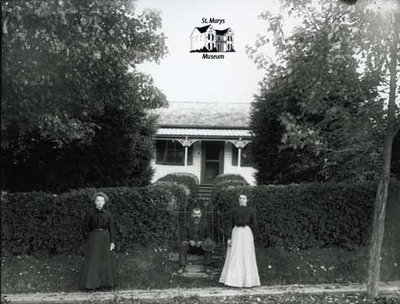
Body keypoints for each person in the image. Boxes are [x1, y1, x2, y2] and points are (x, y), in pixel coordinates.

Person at [219, 194, 260, 287]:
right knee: (235, 255)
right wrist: (228, 237)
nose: (242, 200)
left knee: (247, 255)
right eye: (240, 198)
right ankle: (233, 280)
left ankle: (248, 280)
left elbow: (254, 224)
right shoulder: (233, 210)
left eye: (244, 198)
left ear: (247, 200)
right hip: (236, 232)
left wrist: (257, 237)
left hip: (246, 233)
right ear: (238, 200)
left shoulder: (251, 210)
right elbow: (229, 224)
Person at [80, 192, 116, 290]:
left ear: (104, 202)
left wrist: (112, 242)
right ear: (95, 202)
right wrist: (89, 238)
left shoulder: (108, 214)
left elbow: (111, 228)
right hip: (94, 238)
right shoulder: (90, 213)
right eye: (98, 200)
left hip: (105, 238)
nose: (100, 202)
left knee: (105, 261)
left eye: (102, 201)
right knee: (93, 261)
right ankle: (91, 285)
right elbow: (84, 227)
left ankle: (105, 285)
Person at [178, 207, 215, 274]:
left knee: (208, 243)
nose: (196, 216)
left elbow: (209, 236)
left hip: (201, 247)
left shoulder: (205, 225)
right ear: (192, 215)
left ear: (201, 215)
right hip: (190, 247)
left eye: (198, 214)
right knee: (183, 244)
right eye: (195, 214)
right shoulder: (187, 225)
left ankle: (207, 266)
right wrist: (189, 241)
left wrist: (202, 241)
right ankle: (182, 266)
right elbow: (183, 237)